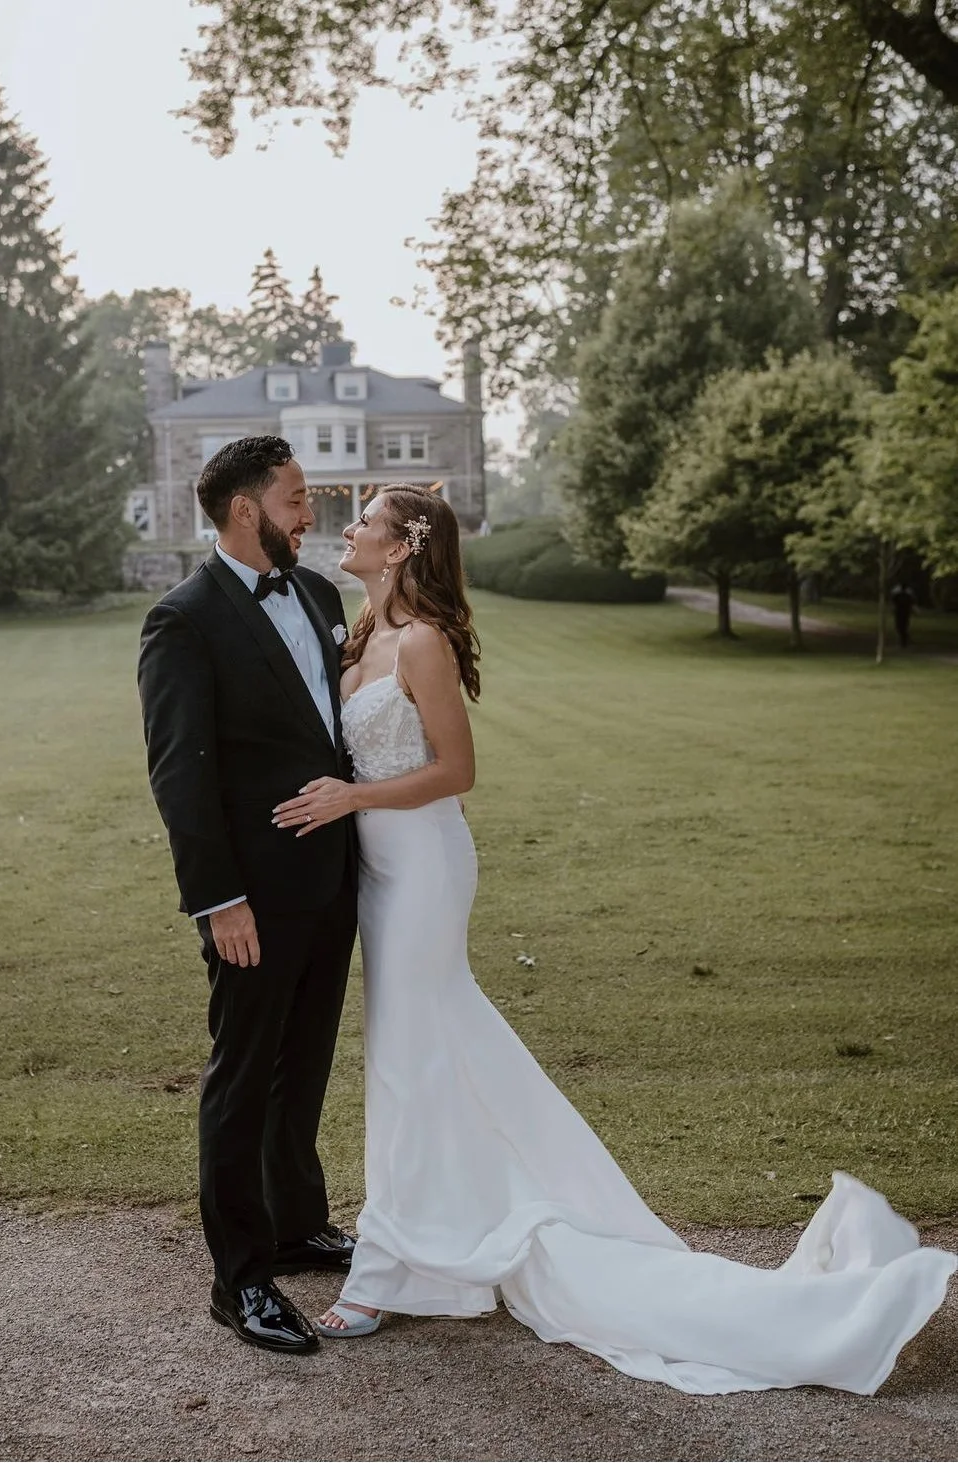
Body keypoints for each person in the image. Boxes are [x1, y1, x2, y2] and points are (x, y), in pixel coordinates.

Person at [271, 485, 957, 1394]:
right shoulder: (356, 635)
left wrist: (354, 798)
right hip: (379, 872)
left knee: (408, 1056)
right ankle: (435, 1233)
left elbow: (458, 769)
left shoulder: (424, 641)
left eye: (362, 520)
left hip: (426, 871)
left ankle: (393, 1265)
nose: (345, 529)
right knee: (421, 1052)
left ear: (400, 549)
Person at [138, 436, 358, 1356]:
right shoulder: (182, 620)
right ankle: (239, 1277)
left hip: (332, 879)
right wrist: (218, 898)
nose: (311, 514)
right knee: (241, 1074)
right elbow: (179, 775)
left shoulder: (318, 593)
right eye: (298, 499)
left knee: (302, 1062)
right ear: (245, 510)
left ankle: (296, 1221)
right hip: (251, 899)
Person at [891, 582, 915, 648]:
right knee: (901, 626)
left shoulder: (906, 592)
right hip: (901, 611)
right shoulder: (898, 592)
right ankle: (903, 640)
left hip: (904, 611)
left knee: (902, 626)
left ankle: (903, 641)